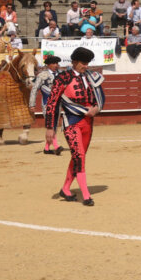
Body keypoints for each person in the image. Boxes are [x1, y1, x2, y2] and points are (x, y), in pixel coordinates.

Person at [45, 47, 106, 206]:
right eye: (83, 63)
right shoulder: (62, 78)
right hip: (71, 121)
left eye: (87, 63)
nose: (85, 66)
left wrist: (96, 109)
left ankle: (65, 188)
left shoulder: (91, 77)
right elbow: (53, 103)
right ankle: (86, 195)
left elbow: (100, 97)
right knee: (79, 156)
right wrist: (50, 127)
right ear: (74, 62)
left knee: (79, 156)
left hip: (88, 122)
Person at [28, 55, 64, 155]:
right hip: (47, 104)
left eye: (57, 63)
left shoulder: (61, 74)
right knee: (50, 125)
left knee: (54, 125)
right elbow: (34, 89)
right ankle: (56, 146)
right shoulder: (42, 75)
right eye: (54, 63)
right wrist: (32, 104)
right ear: (48, 65)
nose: (56, 65)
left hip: (58, 104)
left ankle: (47, 148)